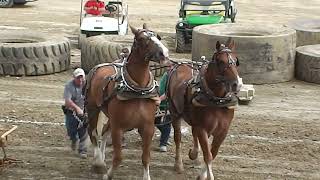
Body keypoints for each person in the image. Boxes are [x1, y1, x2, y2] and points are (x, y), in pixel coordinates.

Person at [63, 68, 88, 159]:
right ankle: (73, 139)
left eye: (82, 77)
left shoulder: (88, 85)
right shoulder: (69, 86)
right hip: (71, 112)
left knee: (84, 130)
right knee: (71, 130)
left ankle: (83, 150)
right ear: (74, 78)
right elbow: (67, 101)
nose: (80, 80)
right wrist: (77, 108)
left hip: (84, 111)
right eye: (78, 78)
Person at [155, 65, 172, 152]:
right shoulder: (166, 75)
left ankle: (163, 143)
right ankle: (165, 136)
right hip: (160, 103)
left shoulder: (171, 77)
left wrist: (160, 99)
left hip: (167, 104)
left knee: (166, 124)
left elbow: (169, 92)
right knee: (156, 121)